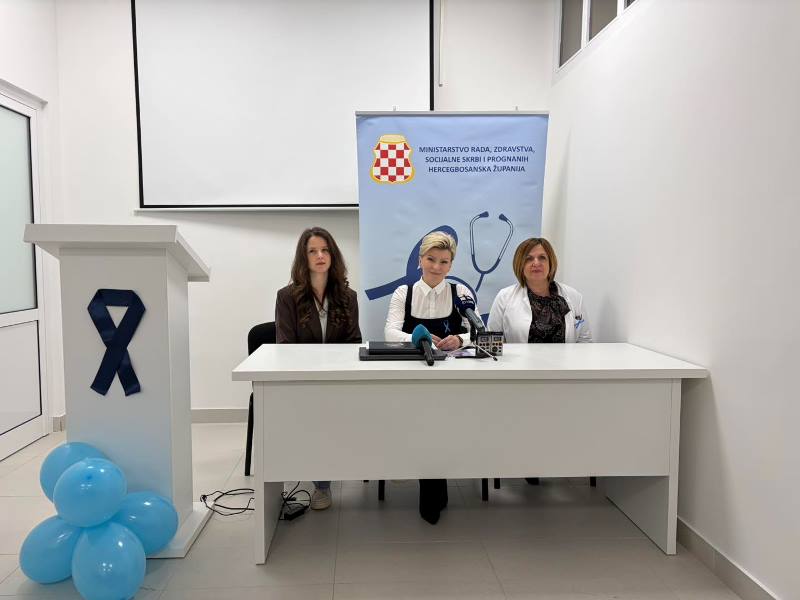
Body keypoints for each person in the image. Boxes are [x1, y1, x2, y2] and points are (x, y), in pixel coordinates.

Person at [384, 231, 480, 524]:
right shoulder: (403, 293)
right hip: (412, 375)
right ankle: (432, 489)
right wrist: (417, 337)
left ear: (451, 265)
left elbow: (477, 331)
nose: (437, 267)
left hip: (451, 378)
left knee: (443, 429)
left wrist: (460, 340)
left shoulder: (460, 293)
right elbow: (390, 332)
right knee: (423, 429)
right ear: (420, 260)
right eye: (431, 259)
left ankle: (434, 487)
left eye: (444, 261)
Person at [275, 227, 362, 509]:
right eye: (312, 251)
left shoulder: (348, 296)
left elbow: (354, 342)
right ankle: (321, 485)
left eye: (325, 250)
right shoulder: (287, 296)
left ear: (333, 255)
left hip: (338, 378)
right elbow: (285, 346)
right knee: (315, 413)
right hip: (303, 379)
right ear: (304, 258)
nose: (320, 256)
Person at [487, 237, 592, 344]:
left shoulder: (574, 297)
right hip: (518, 356)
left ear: (550, 263)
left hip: (566, 356)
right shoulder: (504, 297)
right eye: (529, 259)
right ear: (520, 265)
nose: (536, 263)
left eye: (542, 257)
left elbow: (585, 341)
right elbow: (491, 343)